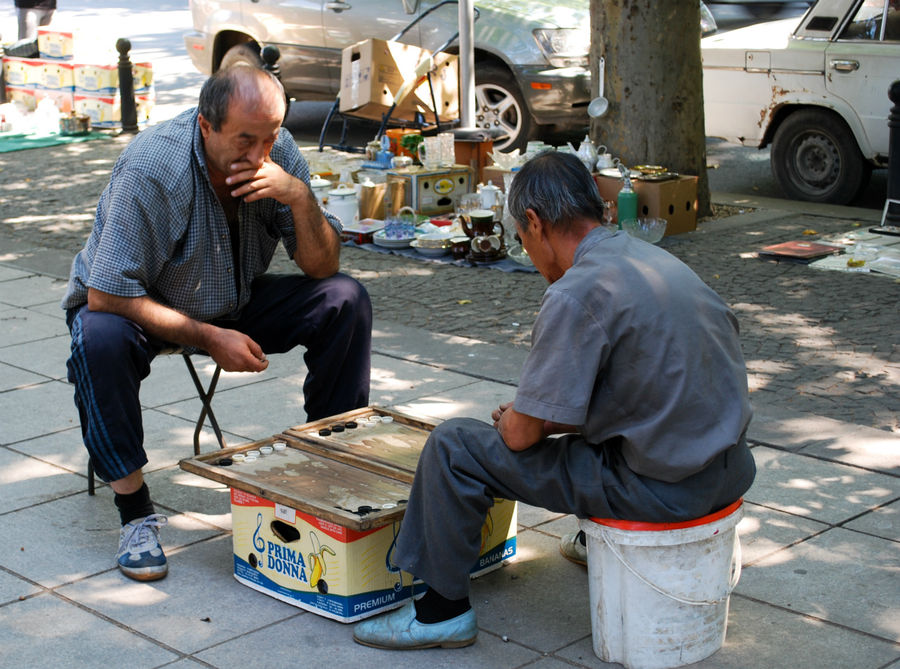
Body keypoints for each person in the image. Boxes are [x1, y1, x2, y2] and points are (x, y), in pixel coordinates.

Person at [352, 150, 755, 650]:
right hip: (728, 468)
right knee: (595, 427)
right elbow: (647, 390)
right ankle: (595, 542)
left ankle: (440, 612)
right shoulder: (655, 260)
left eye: (522, 240)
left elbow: (519, 439)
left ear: (535, 224)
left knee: (454, 447)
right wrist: (543, 418)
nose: (527, 250)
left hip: (665, 490)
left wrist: (523, 422)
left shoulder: (577, 291)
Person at [61, 65, 372, 582]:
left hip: (230, 295)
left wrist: (297, 196)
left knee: (344, 298)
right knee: (99, 338)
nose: (259, 154)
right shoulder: (153, 167)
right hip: (136, 303)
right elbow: (106, 292)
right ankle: (134, 511)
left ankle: (332, 463)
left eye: (270, 137)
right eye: (245, 140)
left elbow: (322, 267)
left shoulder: (278, 150)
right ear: (206, 126)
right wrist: (208, 336)